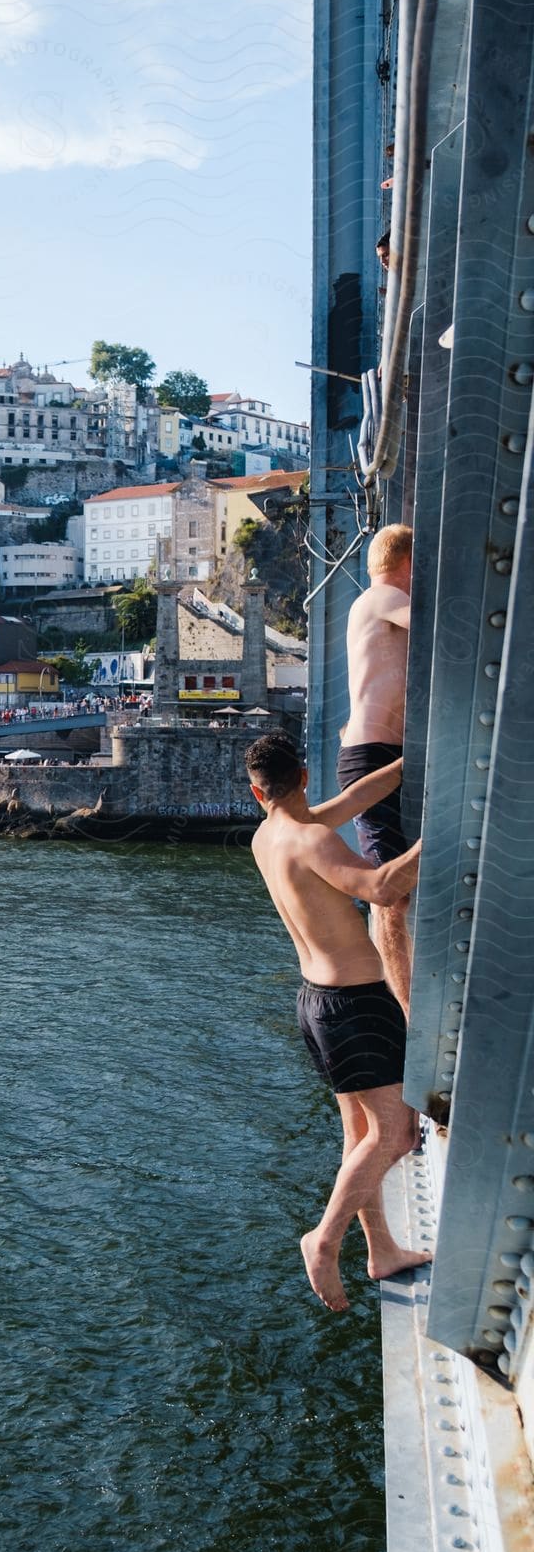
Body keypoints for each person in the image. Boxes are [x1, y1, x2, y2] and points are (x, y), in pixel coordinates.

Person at [246, 732, 425, 1312]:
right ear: (303, 775)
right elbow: (381, 887)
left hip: (317, 1005)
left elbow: (352, 800)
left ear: (256, 792)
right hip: (358, 1008)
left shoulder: (271, 837)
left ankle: (381, 1251)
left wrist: (410, 763)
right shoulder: (313, 838)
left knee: (360, 1138)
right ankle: (322, 1240)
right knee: (395, 1135)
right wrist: (446, 829)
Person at [336, 522, 414, 1016]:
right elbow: (439, 626)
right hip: (373, 756)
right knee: (389, 891)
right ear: (410, 564)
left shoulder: (372, 603)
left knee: (395, 888)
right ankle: (406, 1013)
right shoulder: (381, 598)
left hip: (382, 753)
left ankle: (397, 992)